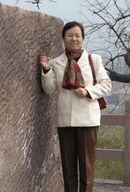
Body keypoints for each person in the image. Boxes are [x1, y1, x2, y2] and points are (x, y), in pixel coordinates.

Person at [40, 21, 111, 192]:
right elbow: (49, 89)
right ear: (63, 38)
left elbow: (106, 85)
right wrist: (47, 70)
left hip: (88, 121)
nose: (74, 39)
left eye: (77, 35)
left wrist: (87, 91)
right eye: (70, 35)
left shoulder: (93, 60)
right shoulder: (57, 62)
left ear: (83, 39)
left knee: (87, 169)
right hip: (65, 122)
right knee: (68, 170)